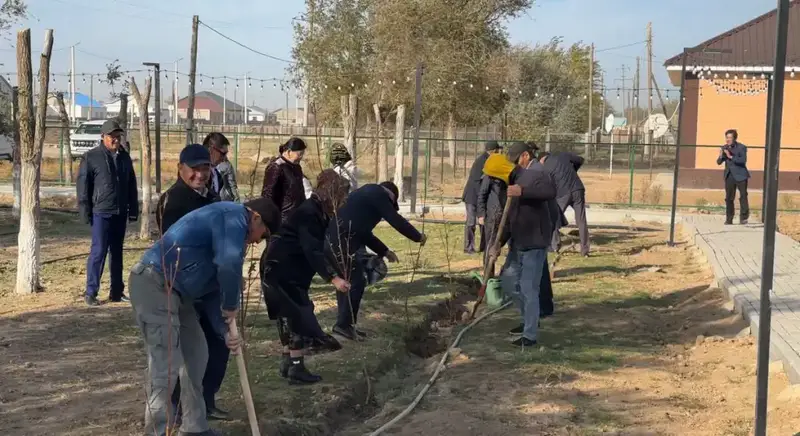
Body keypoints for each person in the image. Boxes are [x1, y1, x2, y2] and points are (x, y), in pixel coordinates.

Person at [129, 198, 280, 436]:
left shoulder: (231, 235)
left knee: (197, 355)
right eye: (264, 234)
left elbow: (211, 291)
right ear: (256, 218)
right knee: (165, 363)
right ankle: (157, 431)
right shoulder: (232, 217)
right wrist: (231, 303)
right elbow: (228, 265)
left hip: (181, 295)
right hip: (155, 282)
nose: (258, 241)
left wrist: (223, 330)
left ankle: (194, 428)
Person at [156, 144, 235, 422]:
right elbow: (175, 247)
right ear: (181, 169)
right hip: (185, 286)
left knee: (219, 341)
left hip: (211, 284)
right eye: (194, 169)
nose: (200, 174)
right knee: (188, 350)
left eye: (205, 168)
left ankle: (206, 401)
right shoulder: (173, 201)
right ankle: (177, 408)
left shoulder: (212, 199)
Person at [262, 169, 351, 385]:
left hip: (279, 267)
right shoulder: (309, 213)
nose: (341, 203)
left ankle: (287, 362)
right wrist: (333, 278)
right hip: (284, 269)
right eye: (340, 197)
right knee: (297, 314)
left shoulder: (315, 211)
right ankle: (296, 368)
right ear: (330, 194)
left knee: (287, 314)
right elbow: (312, 250)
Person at [328, 181, 427, 341]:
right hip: (341, 241)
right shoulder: (377, 193)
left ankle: (345, 325)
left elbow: (363, 232)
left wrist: (384, 251)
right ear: (391, 196)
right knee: (355, 281)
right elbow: (395, 219)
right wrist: (417, 236)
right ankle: (343, 326)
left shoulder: (366, 196)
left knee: (348, 281)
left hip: (338, 239)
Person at [484, 142, 557, 347]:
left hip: (535, 243)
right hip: (518, 242)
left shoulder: (532, 176)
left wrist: (522, 191)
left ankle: (530, 335)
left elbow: (549, 190)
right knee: (508, 282)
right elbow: (508, 219)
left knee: (528, 288)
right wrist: (498, 244)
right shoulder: (509, 186)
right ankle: (528, 320)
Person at [76, 119, 138, 307]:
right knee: (99, 251)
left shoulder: (124, 158)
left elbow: (131, 185)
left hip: (119, 212)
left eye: (118, 136)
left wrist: (133, 209)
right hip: (101, 212)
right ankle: (91, 292)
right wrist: (85, 210)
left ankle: (117, 292)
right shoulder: (91, 157)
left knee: (117, 253)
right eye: (112, 136)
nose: (116, 140)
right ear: (103, 137)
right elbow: (83, 186)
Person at [539, 151, 589, 257]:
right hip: (578, 189)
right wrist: (573, 171)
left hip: (563, 194)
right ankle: (585, 250)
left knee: (553, 218)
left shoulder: (545, 167)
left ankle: (554, 246)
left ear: (542, 159)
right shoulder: (563, 155)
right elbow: (580, 160)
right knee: (581, 220)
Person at [462, 141, 502, 253]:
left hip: (481, 196)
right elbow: (477, 182)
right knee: (471, 222)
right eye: (498, 150)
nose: (499, 152)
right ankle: (469, 247)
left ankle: (484, 246)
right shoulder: (483, 161)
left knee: (484, 222)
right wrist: (482, 201)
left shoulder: (488, 160)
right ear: (493, 151)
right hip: (472, 196)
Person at [262, 136, 307, 224]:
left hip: (297, 217)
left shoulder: (296, 167)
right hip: (282, 219)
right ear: (289, 152)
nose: (301, 157)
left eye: (302, 154)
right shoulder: (276, 167)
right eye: (299, 154)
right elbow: (268, 194)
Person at [717, 129, 750, 225]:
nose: (728, 140)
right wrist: (720, 156)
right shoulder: (725, 147)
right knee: (729, 198)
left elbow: (743, 160)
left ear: (734, 138)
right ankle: (729, 218)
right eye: (727, 138)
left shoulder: (741, 147)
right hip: (729, 175)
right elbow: (719, 162)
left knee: (743, 196)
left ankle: (743, 218)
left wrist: (730, 156)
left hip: (741, 175)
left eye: (730, 138)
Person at [203, 132, 240, 202]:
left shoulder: (217, 176)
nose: (224, 158)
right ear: (210, 150)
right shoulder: (198, 177)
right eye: (223, 153)